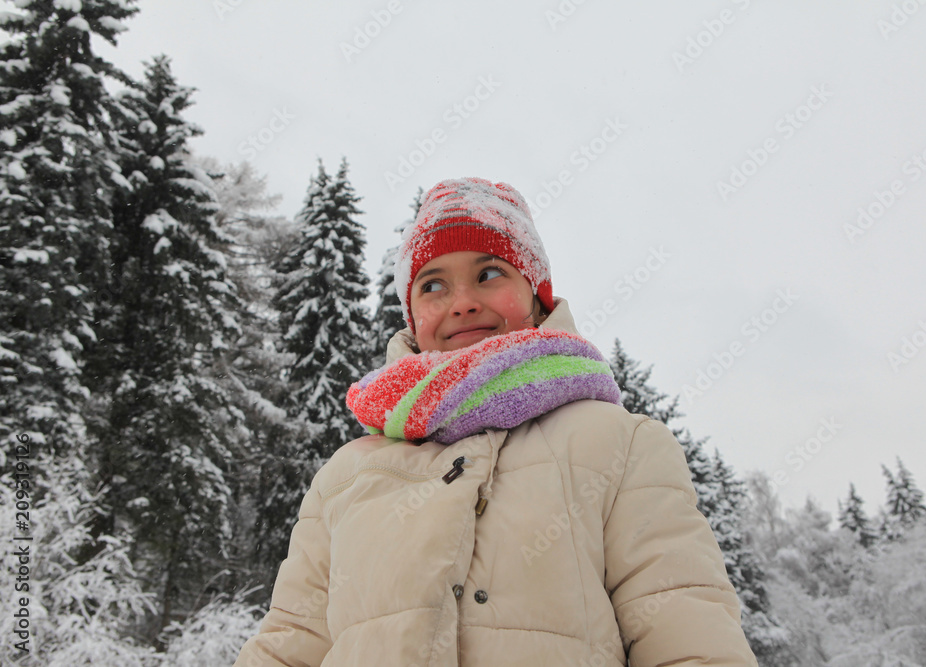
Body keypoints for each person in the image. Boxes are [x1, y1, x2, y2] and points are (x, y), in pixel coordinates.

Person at [233, 177, 758, 666]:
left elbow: (687, 629)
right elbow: (290, 642)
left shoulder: (621, 445)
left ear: (536, 295)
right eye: (432, 285)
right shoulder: (346, 475)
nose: (462, 303)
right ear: (412, 315)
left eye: (488, 274)